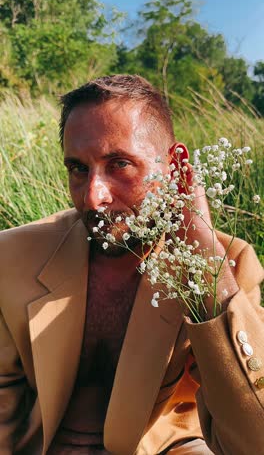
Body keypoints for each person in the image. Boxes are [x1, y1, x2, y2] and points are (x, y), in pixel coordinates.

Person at [0, 75, 263, 455]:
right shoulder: (12, 257)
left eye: (120, 164)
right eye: (78, 169)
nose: (93, 198)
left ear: (176, 166)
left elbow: (255, 440)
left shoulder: (232, 265)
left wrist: (208, 271)